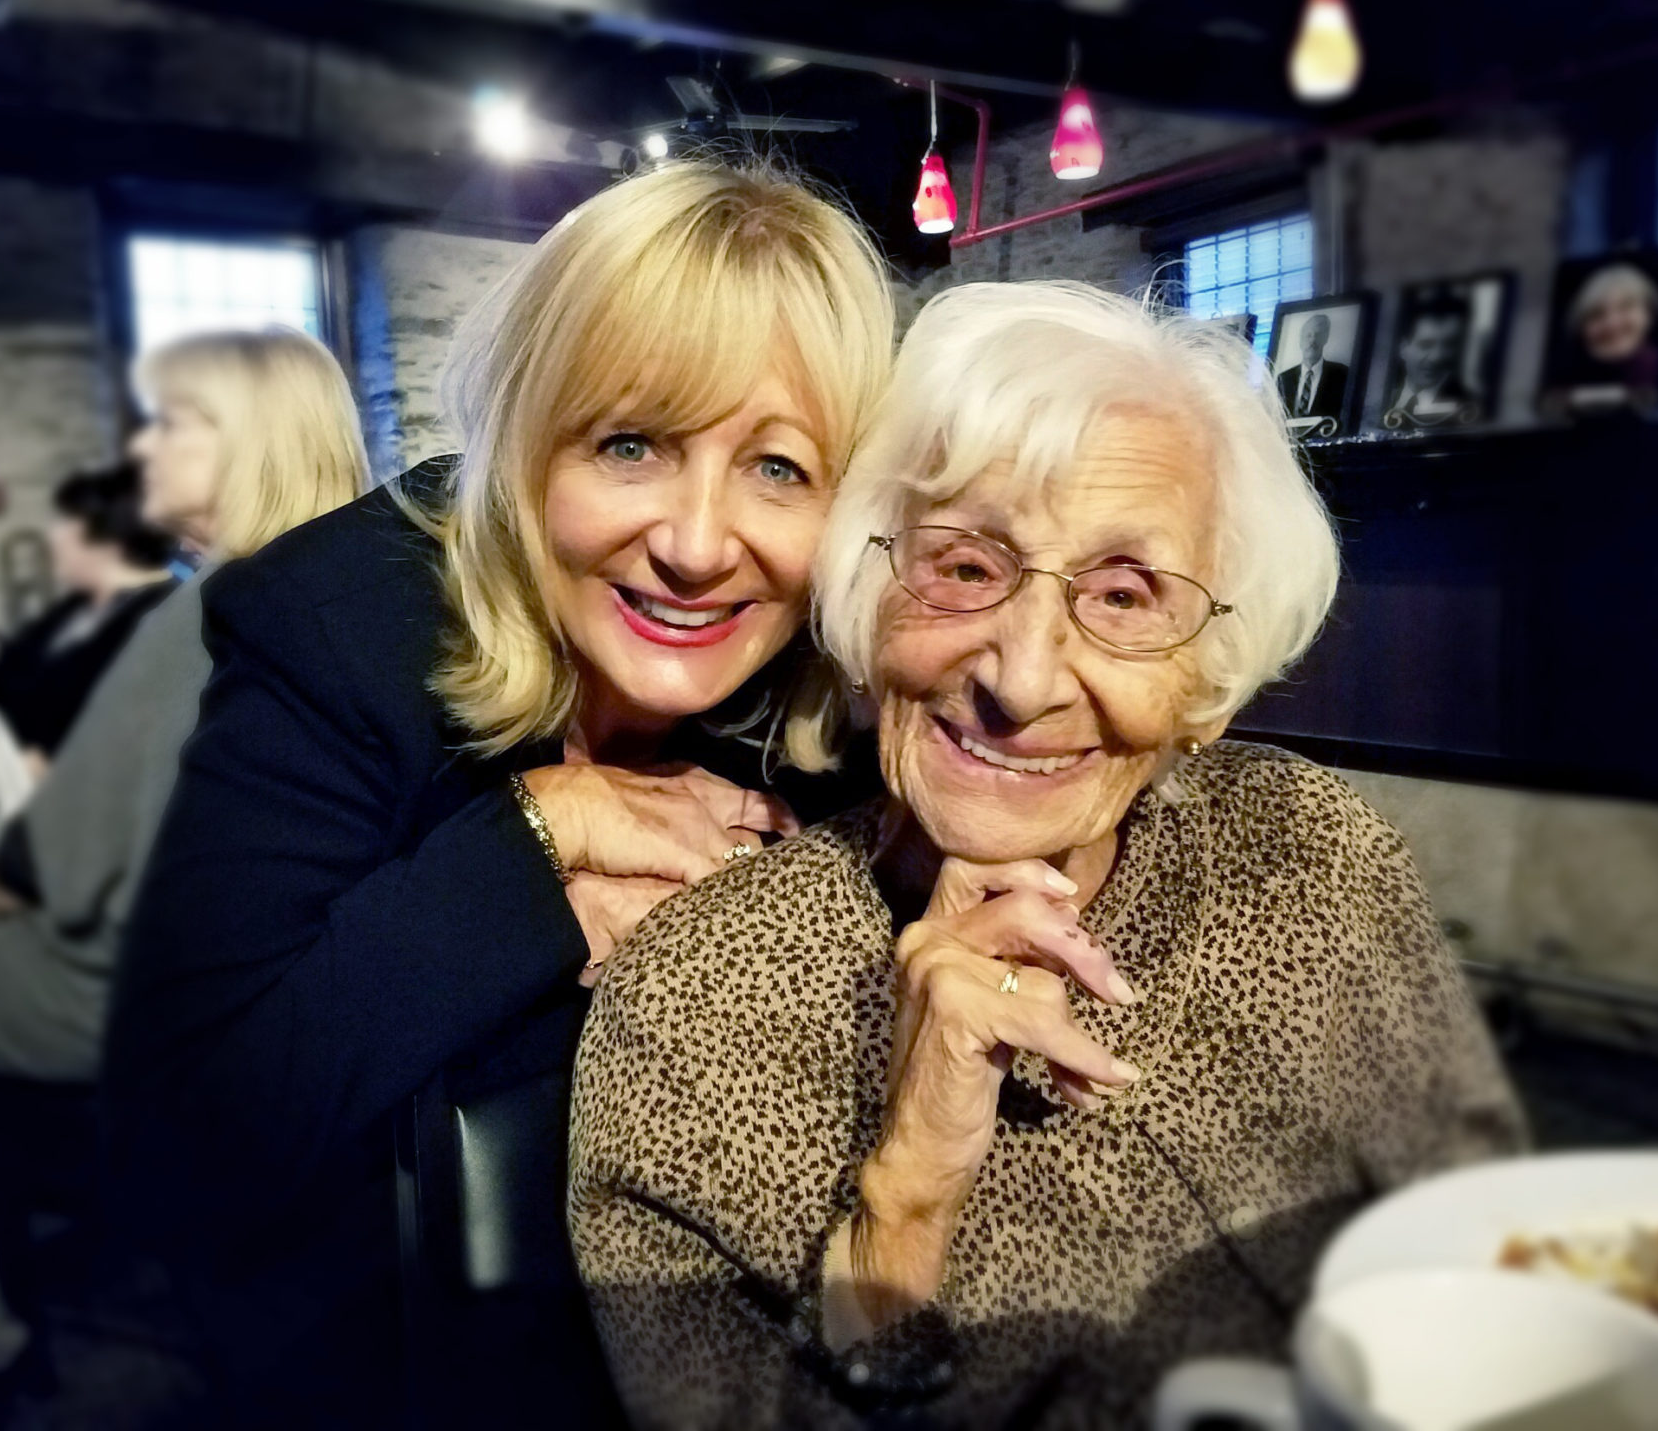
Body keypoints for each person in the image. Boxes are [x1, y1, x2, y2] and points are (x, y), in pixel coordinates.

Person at [570, 281, 1527, 1430]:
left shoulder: (1310, 857)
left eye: (1124, 595)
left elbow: (1495, 1246)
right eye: (965, 567)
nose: (1020, 680)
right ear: (870, 606)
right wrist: (906, 1196)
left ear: (1208, 681)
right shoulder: (697, 1005)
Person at [101, 161, 895, 1428]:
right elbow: (187, 1131)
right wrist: (540, 837)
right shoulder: (342, 628)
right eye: (629, 444)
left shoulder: (844, 678)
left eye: (779, 470)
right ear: (528, 447)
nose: (696, 544)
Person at [0, 327, 370, 1431]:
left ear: (250, 442)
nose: (140, 448)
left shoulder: (200, 617)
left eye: (171, 422)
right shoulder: (351, 603)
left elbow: (65, 871)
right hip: (292, 991)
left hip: (142, 998)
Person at [0, 464, 177, 765]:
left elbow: (127, 739)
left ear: (105, 536)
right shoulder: (78, 605)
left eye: (65, 521)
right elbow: (6, 674)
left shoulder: (157, 618)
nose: (52, 536)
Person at [1546, 262, 1658, 410]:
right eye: (1596, 314)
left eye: (1626, 307)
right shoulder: (1558, 387)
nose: (1612, 324)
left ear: (1649, 314)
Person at [1382, 291, 1474, 429]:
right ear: (1402, 347)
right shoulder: (1379, 399)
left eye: (1449, 344)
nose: (1437, 357)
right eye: (1426, 345)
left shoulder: (1467, 405)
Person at [1274, 311, 1348, 425]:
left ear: (1325, 339)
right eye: (1308, 335)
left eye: (1318, 335)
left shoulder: (1342, 374)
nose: (1312, 341)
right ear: (1300, 341)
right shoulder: (1283, 379)